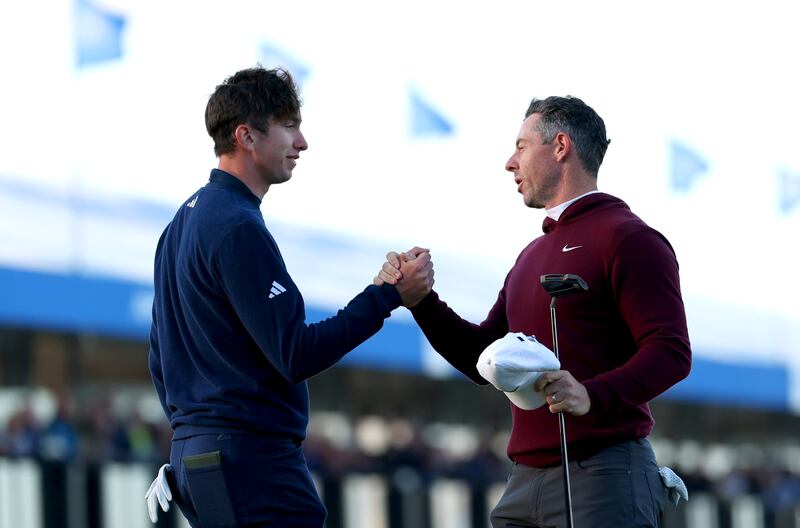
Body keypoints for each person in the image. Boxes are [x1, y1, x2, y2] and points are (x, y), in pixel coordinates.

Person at [377, 96, 692, 527]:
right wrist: (421, 301)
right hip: (523, 483)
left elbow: (671, 352)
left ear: (560, 146)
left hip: (603, 477)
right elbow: (481, 358)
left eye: (522, 146)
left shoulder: (629, 238)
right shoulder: (530, 255)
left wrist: (592, 394)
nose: (510, 162)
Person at [146, 66, 433, 527]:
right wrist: (386, 296)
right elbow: (296, 352)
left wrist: (189, 440)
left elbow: (160, 362)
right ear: (247, 136)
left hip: (198, 462)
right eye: (289, 125)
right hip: (250, 462)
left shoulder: (178, 225)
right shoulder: (236, 225)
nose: (302, 142)